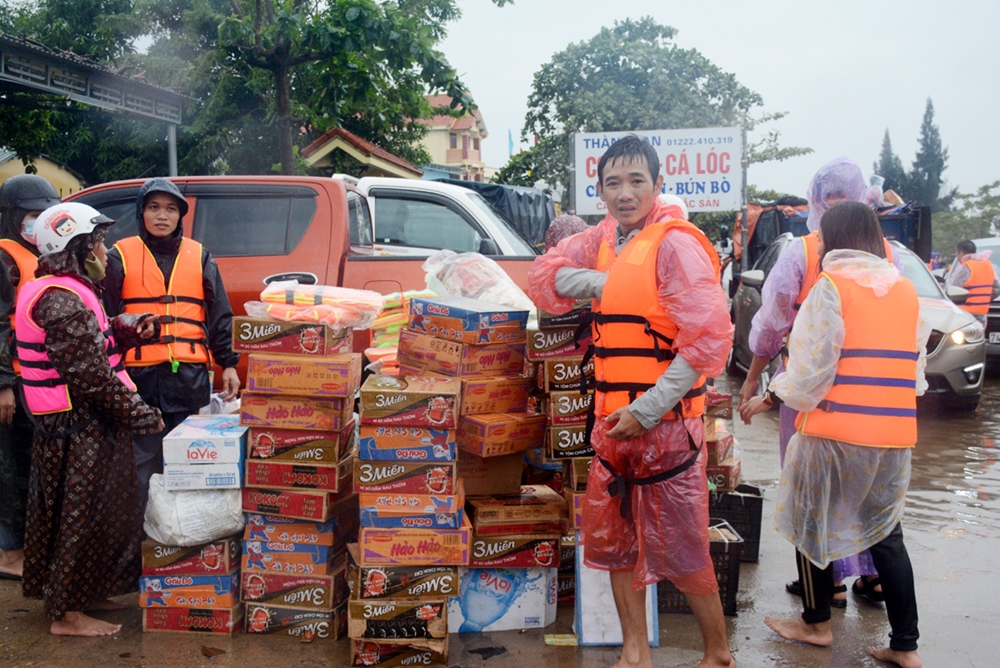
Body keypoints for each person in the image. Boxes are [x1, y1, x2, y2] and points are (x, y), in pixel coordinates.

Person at [529, 135, 735, 668]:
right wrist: (611, 281)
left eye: (636, 181)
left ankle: (718, 654)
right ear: (599, 191)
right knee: (616, 543)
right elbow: (544, 275)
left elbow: (706, 345)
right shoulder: (601, 239)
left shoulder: (677, 244)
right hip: (610, 425)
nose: (624, 193)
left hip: (665, 426)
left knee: (685, 546)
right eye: (613, 183)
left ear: (658, 184)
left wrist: (645, 410)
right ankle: (634, 652)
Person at [742, 201, 926, 668]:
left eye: (823, 236)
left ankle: (816, 622)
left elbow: (809, 371)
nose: (818, 243)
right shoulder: (906, 291)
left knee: (810, 524)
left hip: (833, 431)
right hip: (893, 436)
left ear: (837, 238)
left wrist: (766, 398)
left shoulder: (831, 287)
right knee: (887, 535)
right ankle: (906, 646)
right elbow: (917, 374)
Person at [737, 157, 899, 605]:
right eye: (832, 195)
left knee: (814, 488)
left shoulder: (804, 252)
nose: (837, 203)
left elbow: (772, 329)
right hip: (877, 401)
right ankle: (869, 576)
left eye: (842, 195)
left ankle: (827, 586)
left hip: (814, 397)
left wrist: (757, 386)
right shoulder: (891, 258)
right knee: (867, 488)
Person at [19, 203, 164, 636]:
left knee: (106, 512)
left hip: (90, 422)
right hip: (75, 426)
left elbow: (93, 341)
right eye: (97, 241)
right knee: (77, 515)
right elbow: (91, 376)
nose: (103, 249)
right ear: (74, 247)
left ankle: (88, 590)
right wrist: (140, 415)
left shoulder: (72, 290)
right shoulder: (59, 300)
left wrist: (126, 329)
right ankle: (66, 614)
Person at [102, 178, 240, 509]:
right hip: (139, 378)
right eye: (153, 207)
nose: (162, 215)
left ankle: (180, 535)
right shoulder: (118, 256)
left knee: (184, 460)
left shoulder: (200, 256)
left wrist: (229, 363)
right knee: (141, 460)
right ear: (141, 213)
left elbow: (220, 314)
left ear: (180, 216)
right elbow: (103, 318)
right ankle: (142, 539)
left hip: (187, 375)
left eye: (170, 209)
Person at [0, 175, 61, 580]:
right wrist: (3, 383)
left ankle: (29, 547)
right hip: (13, 383)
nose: (36, 223)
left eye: (44, 216)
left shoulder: (41, 258)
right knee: (11, 470)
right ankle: (9, 554)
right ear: (11, 218)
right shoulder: (4, 258)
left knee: (35, 468)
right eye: (29, 216)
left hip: (39, 383)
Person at [946, 240, 1000, 327]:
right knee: (979, 339)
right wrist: (983, 299)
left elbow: (952, 290)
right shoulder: (988, 265)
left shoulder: (965, 267)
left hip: (965, 315)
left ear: (961, 253)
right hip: (982, 315)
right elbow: (997, 288)